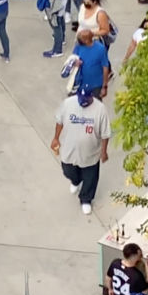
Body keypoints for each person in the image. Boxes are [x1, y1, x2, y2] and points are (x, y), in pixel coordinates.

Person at [52, 86, 111, 215]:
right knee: (68, 170)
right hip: (69, 150)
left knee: (90, 177)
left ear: (92, 97)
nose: (83, 101)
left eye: (86, 99)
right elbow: (59, 121)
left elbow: (105, 133)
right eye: (81, 98)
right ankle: (76, 180)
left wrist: (104, 151)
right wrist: (56, 138)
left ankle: (86, 199)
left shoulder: (100, 109)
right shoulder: (68, 104)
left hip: (91, 152)